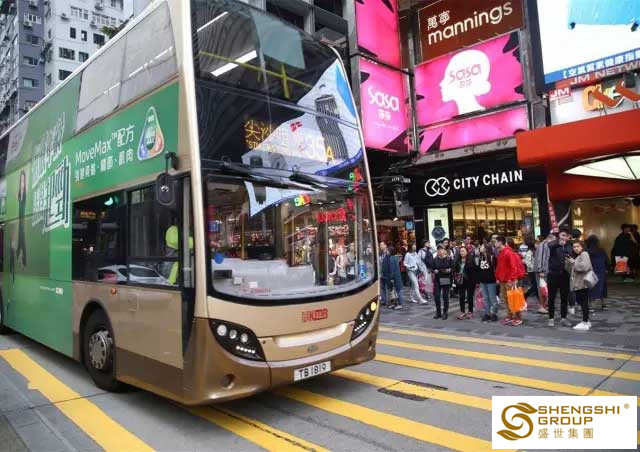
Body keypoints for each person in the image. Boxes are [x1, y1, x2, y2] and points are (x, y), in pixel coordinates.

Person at [495, 235, 526, 326]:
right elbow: (499, 267)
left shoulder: (508, 252)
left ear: (500, 242)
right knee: (506, 299)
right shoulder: (501, 252)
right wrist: (498, 277)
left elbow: (514, 267)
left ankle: (518, 317)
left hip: (509, 280)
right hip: (503, 280)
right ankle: (510, 315)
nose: (494, 243)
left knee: (513, 299)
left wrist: (512, 279)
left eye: (495, 241)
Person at [545, 228, 573, 327]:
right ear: (559, 235)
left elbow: (570, 254)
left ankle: (563, 318)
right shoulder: (553, 243)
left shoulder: (569, 245)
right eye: (562, 235)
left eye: (566, 236)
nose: (564, 237)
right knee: (551, 297)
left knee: (564, 297)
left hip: (565, 274)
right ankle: (551, 318)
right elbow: (550, 246)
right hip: (553, 274)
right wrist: (559, 244)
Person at [566, 240, 593, 331]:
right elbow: (571, 270)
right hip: (579, 283)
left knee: (583, 302)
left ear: (582, 247)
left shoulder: (584, 254)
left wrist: (573, 262)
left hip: (583, 283)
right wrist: (569, 263)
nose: (576, 248)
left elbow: (585, 267)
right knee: (582, 301)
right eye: (574, 247)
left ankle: (585, 322)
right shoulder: (579, 256)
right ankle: (586, 321)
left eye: (578, 246)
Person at [476, 243, 498, 322]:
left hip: (491, 281)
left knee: (492, 298)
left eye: (482, 246)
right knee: (485, 298)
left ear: (486, 248)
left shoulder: (492, 257)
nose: (480, 247)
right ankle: (487, 313)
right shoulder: (481, 257)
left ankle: (494, 314)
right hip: (483, 281)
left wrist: (497, 279)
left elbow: (496, 268)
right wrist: (478, 281)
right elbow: (479, 269)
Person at [586, 235, 608, 311]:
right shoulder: (602, 250)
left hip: (591, 272)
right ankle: (604, 305)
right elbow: (607, 261)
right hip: (601, 272)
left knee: (591, 288)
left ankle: (591, 306)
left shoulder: (587, 251)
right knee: (603, 288)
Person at [433, 245, 454, 319]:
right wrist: (434, 270)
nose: (439, 250)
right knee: (437, 296)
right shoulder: (435, 259)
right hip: (437, 279)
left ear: (444, 250)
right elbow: (433, 267)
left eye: (441, 249)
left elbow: (452, 268)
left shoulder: (448, 258)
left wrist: (449, 270)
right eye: (438, 249)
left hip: (445, 279)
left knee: (445, 296)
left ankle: (445, 312)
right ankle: (438, 312)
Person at [454, 246, 475, 319]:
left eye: (463, 251)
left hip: (470, 280)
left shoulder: (471, 260)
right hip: (460, 280)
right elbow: (455, 270)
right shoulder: (457, 260)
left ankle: (470, 312)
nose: (462, 252)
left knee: (469, 297)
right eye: (461, 251)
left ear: (466, 252)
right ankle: (462, 312)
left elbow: (474, 271)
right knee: (461, 296)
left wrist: (475, 281)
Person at [382, 246, 404, 310]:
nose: (387, 251)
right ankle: (395, 303)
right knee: (394, 291)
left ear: (390, 251)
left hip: (393, 277)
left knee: (396, 291)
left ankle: (400, 304)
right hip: (395, 276)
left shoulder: (391, 258)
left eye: (388, 250)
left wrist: (391, 278)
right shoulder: (394, 257)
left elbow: (392, 269)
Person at [17, 170, 27, 268]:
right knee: (20, 241)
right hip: (19, 222)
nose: (22, 184)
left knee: (22, 242)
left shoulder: (25, 195)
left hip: (23, 223)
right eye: (21, 181)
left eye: (23, 181)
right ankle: (21, 260)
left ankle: (23, 262)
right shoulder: (19, 194)